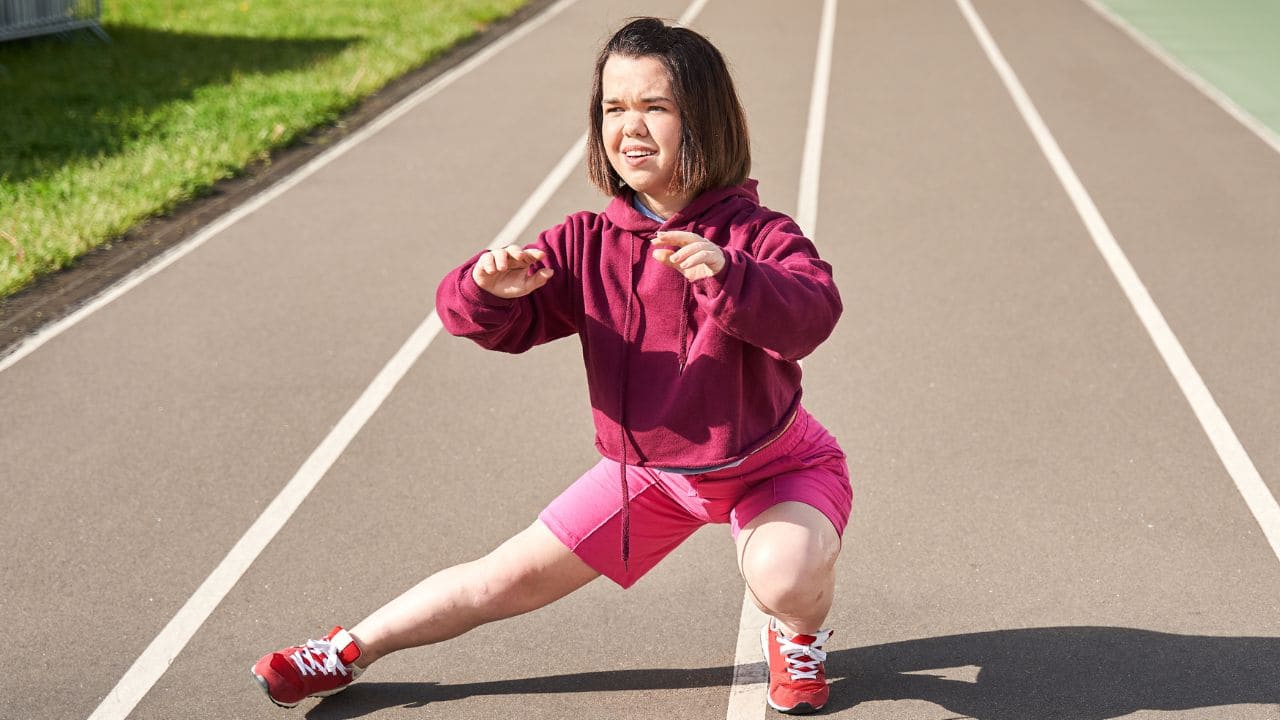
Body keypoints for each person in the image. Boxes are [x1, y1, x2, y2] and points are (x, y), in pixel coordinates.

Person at [251, 16, 851, 716]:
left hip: (776, 464)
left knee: (783, 573)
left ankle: (798, 634)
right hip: (652, 477)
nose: (630, 127)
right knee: (498, 582)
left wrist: (730, 273)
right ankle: (347, 651)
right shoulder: (585, 242)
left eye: (655, 107)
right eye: (613, 109)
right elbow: (471, 316)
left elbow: (814, 312)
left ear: (706, 120)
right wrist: (483, 287)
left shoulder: (756, 233)